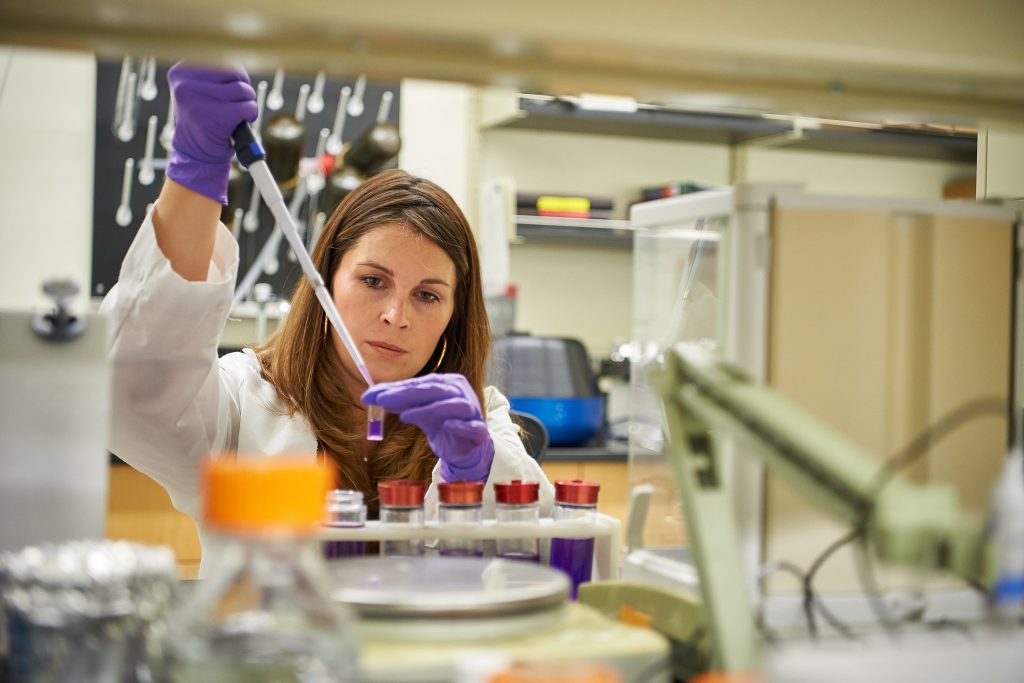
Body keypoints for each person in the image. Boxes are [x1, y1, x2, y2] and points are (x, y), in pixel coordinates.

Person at [101, 62, 553, 575]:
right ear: (326, 283)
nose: (395, 316)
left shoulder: (478, 419)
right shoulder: (244, 402)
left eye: (427, 296)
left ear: (454, 314)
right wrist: (195, 168)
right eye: (373, 281)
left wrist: (476, 474)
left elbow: (534, 567)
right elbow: (136, 388)